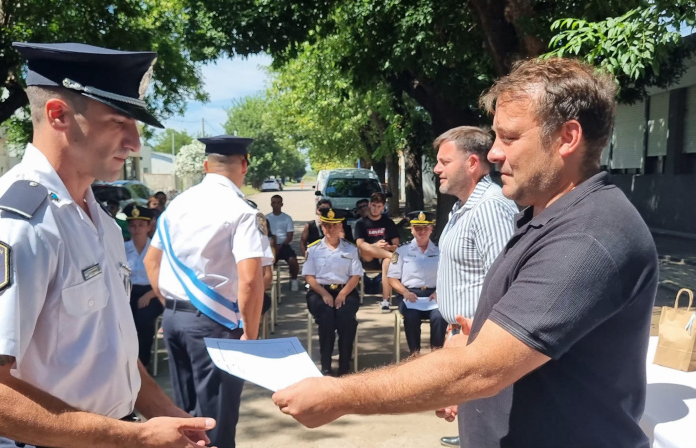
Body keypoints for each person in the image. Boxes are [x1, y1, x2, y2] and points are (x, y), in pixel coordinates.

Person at [271, 57, 658, 448]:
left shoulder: (588, 236)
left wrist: (339, 396)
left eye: (510, 137)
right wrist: (480, 345)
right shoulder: (547, 215)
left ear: (567, 138)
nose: (494, 153)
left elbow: (483, 370)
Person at [0, 42, 213, 448]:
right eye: (119, 121)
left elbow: (108, 346)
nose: (135, 141)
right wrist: (135, 438)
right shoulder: (16, 224)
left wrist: (164, 412)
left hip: (107, 434)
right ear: (58, 115)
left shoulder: (96, 218)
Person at [144, 134, 272, 448]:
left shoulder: (177, 204)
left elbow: (151, 261)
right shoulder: (242, 210)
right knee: (216, 423)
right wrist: (251, 334)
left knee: (185, 419)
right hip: (217, 325)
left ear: (205, 165)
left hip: (175, 320)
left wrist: (172, 304)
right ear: (245, 165)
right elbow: (251, 280)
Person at [432, 125, 519, 446]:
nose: (436, 169)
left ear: (471, 163)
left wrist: (470, 356)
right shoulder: (462, 207)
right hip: (463, 338)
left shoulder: (490, 207)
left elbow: (505, 288)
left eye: (444, 162)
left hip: (481, 345)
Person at [302, 208, 363, 376]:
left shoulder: (350, 249)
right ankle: (326, 365)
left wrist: (342, 294)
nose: (330, 229)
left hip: (346, 290)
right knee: (326, 318)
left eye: (334, 225)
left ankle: (344, 366)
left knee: (346, 319)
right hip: (319, 291)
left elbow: (355, 276)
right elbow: (309, 277)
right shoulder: (313, 249)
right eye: (327, 226)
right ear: (322, 227)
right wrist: (324, 294)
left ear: (340, 226)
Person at [387, 211, 447, 356]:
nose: (422, 232)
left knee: (440, 316)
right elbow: (392, 278)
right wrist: (405, 292)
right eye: (418, 228)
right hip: (409, 295)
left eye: (425, 228)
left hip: (434, 295)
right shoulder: (401, 251)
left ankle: (436, 354)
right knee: (411, 316)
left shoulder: (441, 251)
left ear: (431, 229)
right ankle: (414, 355)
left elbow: (447, 276)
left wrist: (439, 292)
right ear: (412, 229)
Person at [123, 205, 164, 368]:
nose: (137, 229)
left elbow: (166, 278)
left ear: (149, 227)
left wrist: (150, 294)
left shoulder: (157, 249)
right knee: (124, 322)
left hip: (152, 293)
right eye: (133, 225)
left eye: (141, 225)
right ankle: (127, 362)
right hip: (128, 292)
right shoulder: (123, 248)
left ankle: (142, 362)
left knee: (143, 321)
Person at [354, 192, 400, 312]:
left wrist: (388, 247)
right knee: (364, 248)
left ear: (383, 207)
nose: (375, 209)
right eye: (373, 205)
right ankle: (390, 256)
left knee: (388, 262)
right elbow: (359, 243)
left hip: (385, 256)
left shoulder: (388, 222)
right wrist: (375, 246)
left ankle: (385, 301)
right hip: (367, 257)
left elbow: (396, 244)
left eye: (379, 206)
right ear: (369, 204)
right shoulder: (361, 223)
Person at [266, 194, 300, 292]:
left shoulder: (287, 218)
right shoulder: (266, 218)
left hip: (283, 245)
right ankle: (266, 282)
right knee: (265, 264)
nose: (276, 205)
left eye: (278, 203)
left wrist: (280, 246)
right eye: (273, 203)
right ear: (271, 204)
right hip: (269, 246)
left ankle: (294, 280)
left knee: (293, 260)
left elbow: (289, 236)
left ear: (282, 204)